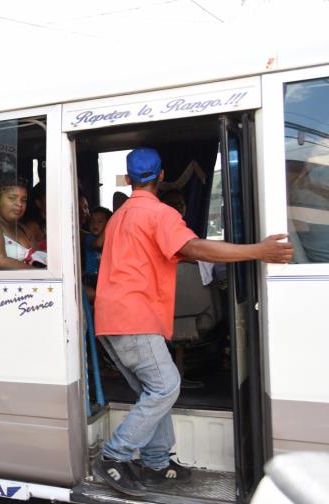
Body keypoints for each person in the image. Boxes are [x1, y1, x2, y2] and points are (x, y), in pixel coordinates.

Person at [92, 147, 293, 496]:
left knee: (152, 391)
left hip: (111, 318)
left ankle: (156, 462)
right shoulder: (159, 213)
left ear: (129, 179)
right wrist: (258, 251)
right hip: (134, 317)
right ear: (162, 176)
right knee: (166, 387)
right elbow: (194, 248)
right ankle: (114, 456)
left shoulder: (120, 215)